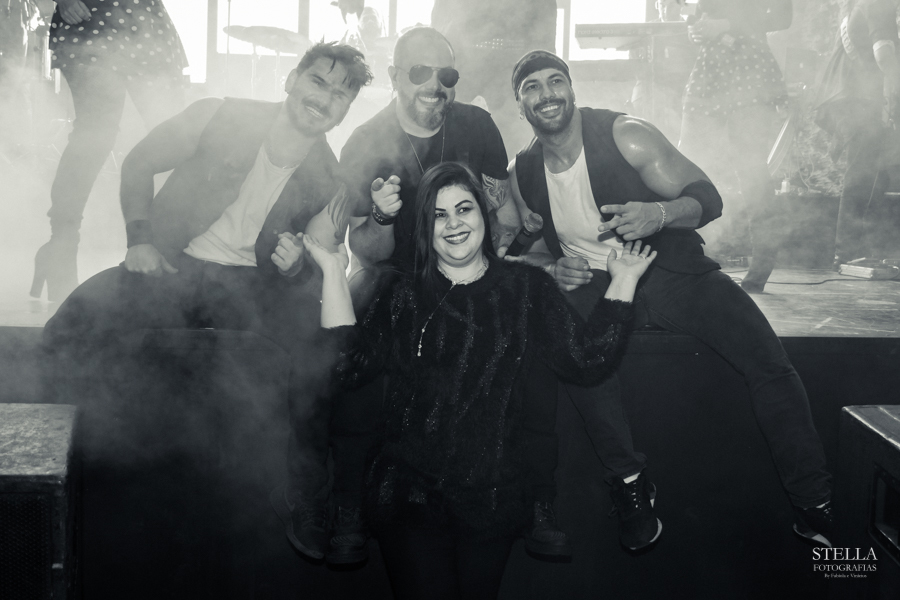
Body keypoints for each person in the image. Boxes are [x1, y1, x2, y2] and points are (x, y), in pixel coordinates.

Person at [40, 43, 373, 561]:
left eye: (340, 95)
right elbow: (139, 163)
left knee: (320, 357)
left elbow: (319, 259)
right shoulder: (219, 114)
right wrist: (139, 239)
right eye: (318, 82)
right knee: (70, 322)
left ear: (346, 109)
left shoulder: (332, 181)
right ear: (292, 80)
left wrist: (295, 267)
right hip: (175, 265)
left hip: (253, 287)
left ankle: (306, 495)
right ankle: (59, 467)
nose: (324, 99)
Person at [507, 50, 834, 549]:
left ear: (572, 89)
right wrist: (550, 268)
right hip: (595, 284)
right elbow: (517, 253)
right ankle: (631, 486)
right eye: (531, 87)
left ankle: (814, 500)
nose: (546, 94)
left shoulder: (626, 135)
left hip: (668, 270)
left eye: (555, 81)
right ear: (520, 104)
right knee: (577, 355)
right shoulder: (524, 171)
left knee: (767, 359)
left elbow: (707, 198)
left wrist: (657, 214)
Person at [303, 161, 655, 600]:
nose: (453, 224)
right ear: (425, 227)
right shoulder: (402, 292)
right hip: (407, 497)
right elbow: (345, 366)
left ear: (484, 217)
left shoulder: (527, 288)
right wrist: (333, 273)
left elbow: (586, 360)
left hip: (491, 500)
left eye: (463, 209)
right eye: (439, 215)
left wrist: (624, 282)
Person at [322, 26, 529, 565]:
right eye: (420, 72)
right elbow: (364, 250)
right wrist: (383, 215)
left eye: (447, 74)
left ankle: (537, 496)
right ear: (395, 77)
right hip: (395, 275)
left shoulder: (476, 125)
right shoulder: (366, 142)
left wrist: (479, 269)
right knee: (353, 355)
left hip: (468, 266)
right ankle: (348, 502)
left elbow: (504, 216)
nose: (435, 85)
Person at [31, 0, 188, 302]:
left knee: (176, 135)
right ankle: (62, 245)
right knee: (95, 134)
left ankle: (173, 249)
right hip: (90, 18)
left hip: (145, 21)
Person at [677, 0, 793, 293]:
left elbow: (782, 15)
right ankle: (686, 255)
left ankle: (762, 261)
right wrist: (697, 27)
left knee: (751, 169)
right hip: (711, 68)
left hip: (750, 70)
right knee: (689, 161)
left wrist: (728, 24)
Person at [815, 0, 900, 266]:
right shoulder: (878, 3)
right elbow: (883, 55)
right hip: (858, 99)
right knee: (863, 173)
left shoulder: (859, 4)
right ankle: (848, 252)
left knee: (873, 172)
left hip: (846, 98)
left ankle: (861, 248)